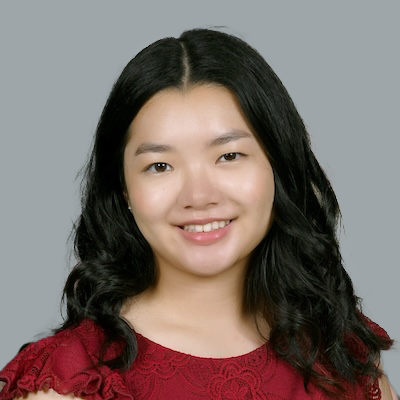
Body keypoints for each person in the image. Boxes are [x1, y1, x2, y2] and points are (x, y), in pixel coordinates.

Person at [0, 28, 396, 400]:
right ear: (124, 189)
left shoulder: (344, 357)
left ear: (278, 166)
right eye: (160, 166)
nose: (198, 196)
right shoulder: (70, 380)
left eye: (229, 156)